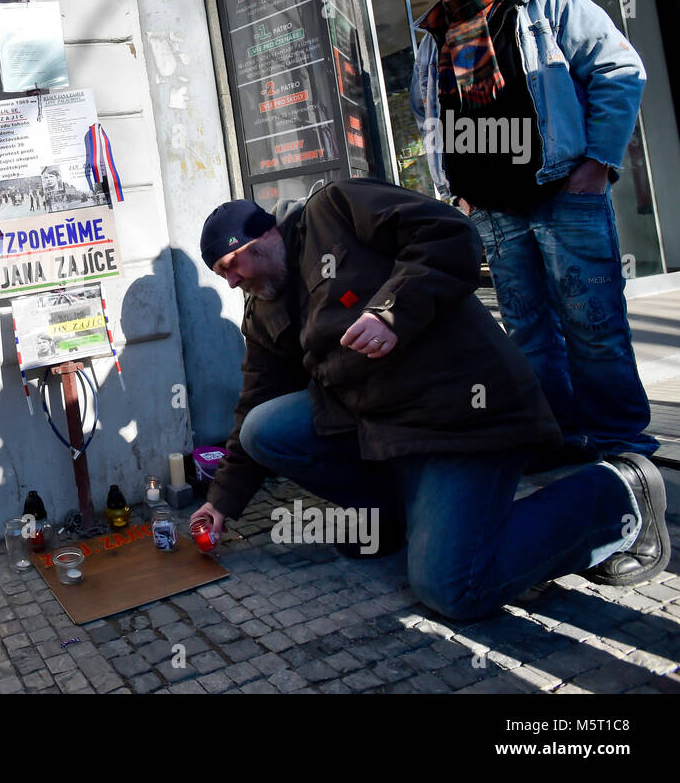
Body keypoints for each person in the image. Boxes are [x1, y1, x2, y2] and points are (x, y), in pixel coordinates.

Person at [190, 179, 669, 621]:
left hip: (461, 417)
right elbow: (255, 400)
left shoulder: (335, 208)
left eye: (232, 266)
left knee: (452, 587)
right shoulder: (263, 309)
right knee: (263, 428)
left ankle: (617, 494)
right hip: (386, 432)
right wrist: (223, 502)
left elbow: (449, 232)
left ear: (263, 236)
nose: (231, 282)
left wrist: (394, 311)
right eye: (221, 275)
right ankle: (392, 517)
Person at [410, 0, 656, 463]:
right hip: (493, 212)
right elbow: (425, 111)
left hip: (564, 194)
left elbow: (619, 70)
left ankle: (621, 445)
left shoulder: (551, 8)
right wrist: (460, 193)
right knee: (527, 333)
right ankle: (559, 439)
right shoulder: (434, 40)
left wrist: (597, 163)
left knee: (593, 324)